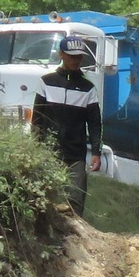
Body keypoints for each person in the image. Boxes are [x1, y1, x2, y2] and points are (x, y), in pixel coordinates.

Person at [34, 35, 102, 216]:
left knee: (76, 200)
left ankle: (77, 239)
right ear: (61, 55)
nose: (75, 61)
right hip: (48, 152)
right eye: (71, 56)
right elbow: (37, 119)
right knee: (44, 199)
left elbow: (95, 123)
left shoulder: (88, 88)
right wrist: (35, 147)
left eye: (79, 57)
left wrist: (96, 152)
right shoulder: (46, 82)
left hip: (76, 154)